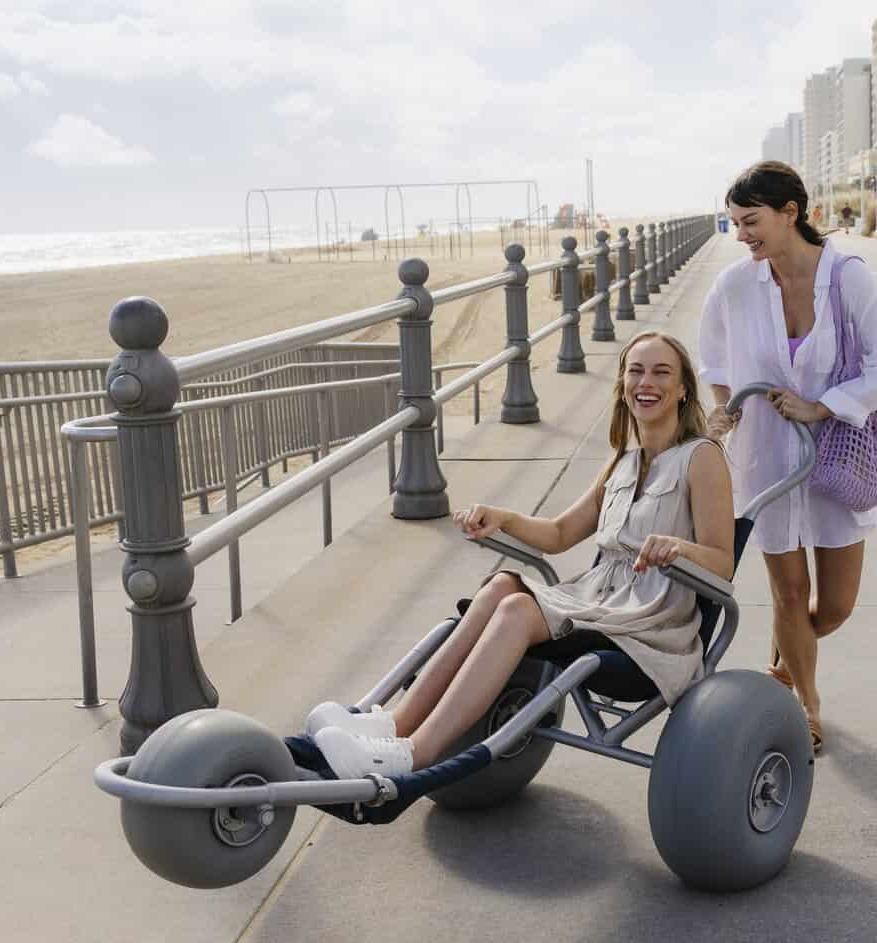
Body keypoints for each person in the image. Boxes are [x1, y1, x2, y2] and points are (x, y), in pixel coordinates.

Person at [296, 330, 736, 781]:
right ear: (622, 383)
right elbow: (561, 533)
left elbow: (722, 562)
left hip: (650, 622)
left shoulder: (700, 458)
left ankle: (414, 752)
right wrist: (503, 517)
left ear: (683, 389)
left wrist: (678, 548)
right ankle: (392, 724)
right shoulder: (623, 460)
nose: (647, 382)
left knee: (518, 609)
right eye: (636, 370)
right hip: (601, 603)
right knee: (504, 583)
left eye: (662, 372)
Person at [699, 160, 877, 754]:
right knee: (788, 594)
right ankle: (805, 709)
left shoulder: (848, 278)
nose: (741, 236)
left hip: (836, 456)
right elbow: (713, 356)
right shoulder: (736, 285)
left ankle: (784, 668)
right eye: (735, 223)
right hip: (764, 458)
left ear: (791, 212)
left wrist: (823, 406)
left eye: (751, 221)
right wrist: (725, 405)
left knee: (834, 606)